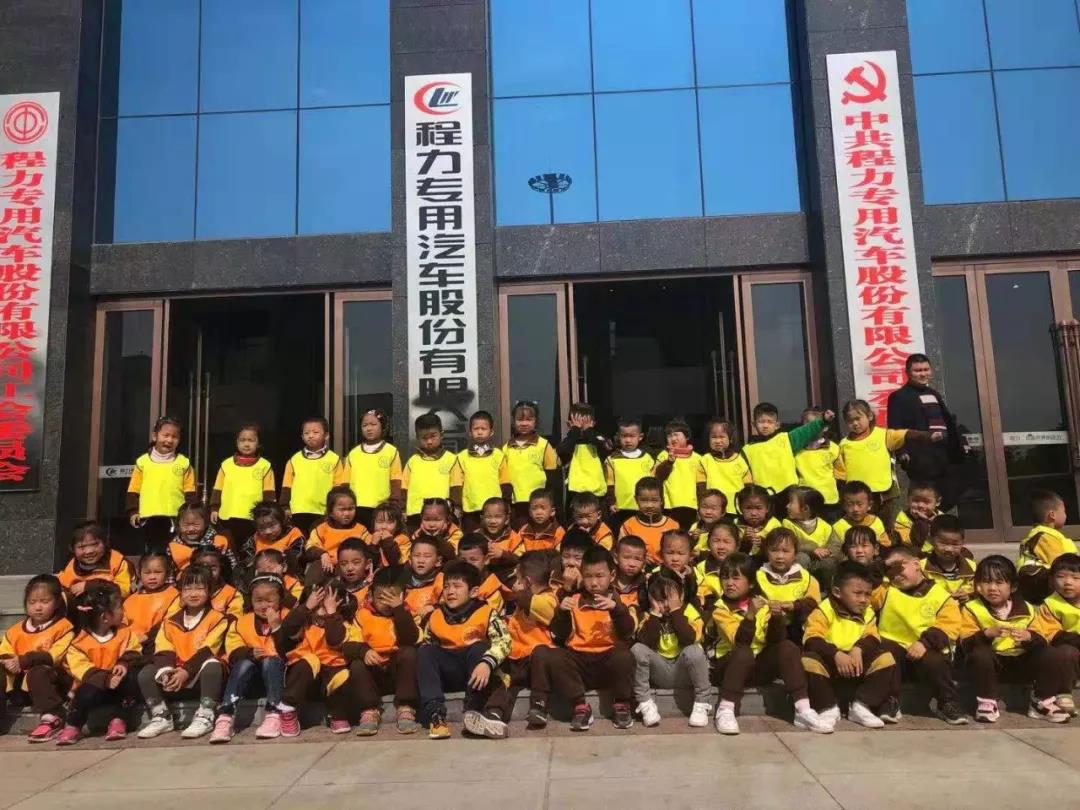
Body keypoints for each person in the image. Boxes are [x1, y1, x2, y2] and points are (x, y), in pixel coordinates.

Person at [710, 553, 831, 735]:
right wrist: (750, 616)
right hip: (729, 668)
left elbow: (775, 640)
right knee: (743, 652)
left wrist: (776, 619)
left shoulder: (761, 603)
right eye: (725, 578)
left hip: (757, 667)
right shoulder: (720, 609)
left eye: (736, 578)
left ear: (751, 583)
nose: (729, 583)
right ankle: (725, 709)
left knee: (788, 647)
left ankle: (803, 709)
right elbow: (740, 641)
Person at [959, 555, 1072, 723]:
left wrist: (1029, 637)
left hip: (1021, 662)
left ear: (1013, 587)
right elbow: (965, 643)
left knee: (1051, 654)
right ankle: (987, 702)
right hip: (991, 665)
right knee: (980, 654)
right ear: (977, 586)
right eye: (986, 582)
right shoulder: (971, 608)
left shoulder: (1027, 609)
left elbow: (1042, 639)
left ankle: (1041, 702)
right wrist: (986, 634)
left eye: (999, 582)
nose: (992, 588)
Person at [537, 546, 637, 731]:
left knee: (624, 655)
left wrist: (616, 609)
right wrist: (562, 612)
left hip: (608, 663)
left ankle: (622, 705)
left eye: (599, 576)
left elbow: (628, 632)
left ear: (612, 575)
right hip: (579, 664)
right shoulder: (573, 599)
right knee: (552, 655)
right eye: (588, 576)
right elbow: (560, 635)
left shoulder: (621, 601)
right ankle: (580, 707)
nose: (594, 583)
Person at [417, 559, 511, 740]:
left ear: (474, 591)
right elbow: (428, 643)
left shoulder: (486, 612)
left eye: (457, 586)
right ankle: (436, 715)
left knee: (479, 648)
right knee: (425, 651)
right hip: (448, 673)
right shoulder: (435, 616)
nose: (450, 591)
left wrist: (486, 663)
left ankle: (473, 712)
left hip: (477, 674)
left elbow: (504, 642)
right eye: (446, 587)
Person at [874, 545, 966, 725]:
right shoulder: (885, 591)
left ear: (916, 564)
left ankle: (947, 702)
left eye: (900, 567)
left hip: (926, 648)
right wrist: (881, 566)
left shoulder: (940, 595)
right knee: (885, 656)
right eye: (890, 571)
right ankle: (889, 701)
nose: (895, 575)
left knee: (936, 662)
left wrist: (925, 643)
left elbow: (949, 626)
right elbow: (866, 589)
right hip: (894, 647)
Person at [801, 560, 897, 730]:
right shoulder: (823, 610)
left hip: (856, 663)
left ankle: (861, 705)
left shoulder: (868, 612)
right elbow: (812, 639)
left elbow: (873, 637)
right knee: (809, 660)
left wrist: (858, 649)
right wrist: (836, 654)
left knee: (886, 658)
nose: (864, 600)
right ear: (837, 592)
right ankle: (827, 707)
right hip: (831, 663)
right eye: (857, 594)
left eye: (867, 594)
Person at [137, 564, 228, 740]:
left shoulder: (217, 619)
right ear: (180, 592)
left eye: (199, 588)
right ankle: (161, 715)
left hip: (200, 677)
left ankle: (206, 714)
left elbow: (208, 649)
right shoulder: (169, 622)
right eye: (187, 589)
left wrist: (186, 671)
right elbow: (163, 648)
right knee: (146, 673)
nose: (193, 594)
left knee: (213, 666)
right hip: (174, 678)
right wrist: (166, 672)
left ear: (210, 591)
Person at [57, 581, 142, 745]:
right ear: (105, 617)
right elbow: (81, 669)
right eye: (119, 608)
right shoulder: (79, 641)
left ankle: (119, 720)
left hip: (118, 685)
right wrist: (106, 679)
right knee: (84, 693)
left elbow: (135, 650)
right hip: (94, 685)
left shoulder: (125, 633)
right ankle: (73, 724)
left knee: (131, 680)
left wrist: (124, 663)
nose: (123, 611)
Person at [209, 574, 291, 743]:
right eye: (258, 601)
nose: (264, 605)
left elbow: (293, 649)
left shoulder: (289, 618)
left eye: (269, 600)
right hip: (251, 680)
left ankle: (274, 713)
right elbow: (233, 651)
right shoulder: (241, 622)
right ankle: (226, 716)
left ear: (280, 599)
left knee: (271, 661)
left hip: (281, 677)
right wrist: (249, 653)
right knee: (244, 664)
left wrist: (277, 627)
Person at [838, 399, 942, 529]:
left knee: (885, 527)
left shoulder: (884, 435)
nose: (855, 423)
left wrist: (928, 436)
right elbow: (840, 471)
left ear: (869, 416)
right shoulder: (843, 444)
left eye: (858, 418)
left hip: (883, 494)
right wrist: (842, 492)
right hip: (856, 497)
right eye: (850, 420)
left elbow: (905, 434)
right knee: (859, 529)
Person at [886, 353, 967, 511]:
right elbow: (895, 428)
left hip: (943, 457)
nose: (923, 374)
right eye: (917, 370)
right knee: (922, 501)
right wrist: (902, 452)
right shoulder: (898, 397)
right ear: (907, 372)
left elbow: (948, 423)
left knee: (945, 499)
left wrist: (960, 445)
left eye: (925, 369)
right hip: (920, 459)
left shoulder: (933, 394)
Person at [632, 569, 711, 728]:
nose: (666, 604)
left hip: (683, 671)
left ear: (681, 595)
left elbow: (688, 639)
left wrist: (676, 611)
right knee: (637, 649)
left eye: (671, 598)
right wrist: (655, 614)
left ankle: (702, 703)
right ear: (651, 599)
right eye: (660, 599)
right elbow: (647, 642)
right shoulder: (647, 615)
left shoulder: (689, 611)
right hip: (659, 670)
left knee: (694, 650)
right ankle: (645, 703)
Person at [279, 580, 360, 736]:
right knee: (309, 660)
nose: (322, 610)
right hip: (303, 679)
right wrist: (306, 607)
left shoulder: (342, 622)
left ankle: (338, 714)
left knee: (343, 675)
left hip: (329, 678)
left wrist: (331, 614)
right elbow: (287, 629)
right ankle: (287, 709)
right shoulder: (305, 621)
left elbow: (334, 640)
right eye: (319, 604)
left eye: (327, 604)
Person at [0, 574, 74, 742]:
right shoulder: (15, 631)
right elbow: (4, 650)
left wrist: (24, 661)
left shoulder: (64, 628)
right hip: (20, 684)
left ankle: (53, 715)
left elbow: (55, 656)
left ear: (57, 603)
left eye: (45, 602)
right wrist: (9, 661)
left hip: (53, 682)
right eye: (32, 602)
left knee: (38, 672)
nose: (38, 607)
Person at [349, 567, 421, 736]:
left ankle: (405, 707)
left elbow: (411, 638)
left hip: (398, 673)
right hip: (374, 672)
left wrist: (399, 610)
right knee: (357, 664)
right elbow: (349, 644)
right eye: (382, 598)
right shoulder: (362, 616)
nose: (387, 603)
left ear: (402, 596)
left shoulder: (408, 613)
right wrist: (363, 651)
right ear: (370, 596)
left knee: (409, 652)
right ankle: (369, 710)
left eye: (392, 598)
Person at [126, 416, 197, 552]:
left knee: (175, 552)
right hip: (148, 517)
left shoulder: (184, 463)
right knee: (153, 553)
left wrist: (191, 514)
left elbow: (190, 492)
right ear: (155, 436)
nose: (169, 440)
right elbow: (133, 490)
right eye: (166, 435)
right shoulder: (142, 462)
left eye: (174, 437)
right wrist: (133, 512)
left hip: (175, 517)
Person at [505, 551, 558, 728]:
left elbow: (531, 602)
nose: (515, 583)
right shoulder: (523, 600)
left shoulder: (549, 599)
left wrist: (519, 592)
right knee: (504, 680)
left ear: (527, 582)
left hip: (537, 663)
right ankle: (496, 713)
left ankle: (538, 706)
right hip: (517, 658)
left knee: (540, 658)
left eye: (518, 579)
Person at [209, 423, 275, 553]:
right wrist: (214, 508)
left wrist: (268, 513)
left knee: (249, 550)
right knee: (229, 549)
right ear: (237, 442)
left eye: (251, 440)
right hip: (229, 516)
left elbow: (269, 492)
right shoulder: (226, 465)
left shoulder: (264, 466)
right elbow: (218, 488)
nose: (246, 444)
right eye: (242, 440)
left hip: (253, 518)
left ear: (258, 443)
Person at [742, 403, 830, 497]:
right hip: (764, 496)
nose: (765, 425)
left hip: (790, 494)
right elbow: (745, 477)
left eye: (770, 422)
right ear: (753, 424)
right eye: (761, 422)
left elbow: (807, 430)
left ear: (777, 425)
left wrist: (823, 420)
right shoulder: (747, 450)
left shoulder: (786, 439)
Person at [281, 416, 343, 538]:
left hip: (323, 512)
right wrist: (285, 507)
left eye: (315, 432)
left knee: (320, 542)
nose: (311, 436)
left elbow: (338, 487)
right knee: (299, 542)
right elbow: (286, 486)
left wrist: (334, 508)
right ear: (302, 436)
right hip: (298, 511)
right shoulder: (294, 460)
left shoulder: (334, 459)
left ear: (326, 436)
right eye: (307, 433)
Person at [340, 409, 402, 531]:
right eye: (365, 425)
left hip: (381, 509)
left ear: (383, 427)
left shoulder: (391, 451)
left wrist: (394, 506)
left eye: (373, 424)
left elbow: (396, 481)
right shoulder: (353, 454)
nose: (369, 428)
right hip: (357, 508)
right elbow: (345, 484)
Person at [501, 401, 560, 529]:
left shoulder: (543, 445)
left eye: (529, 419)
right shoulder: (506, 448)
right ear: (513, 422)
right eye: (520, 420)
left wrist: (551, 500)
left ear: (535, 421)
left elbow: (553, 476)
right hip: (516, 503)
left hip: (539, 503)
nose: (524, 423)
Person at [401, 412, 464, 532]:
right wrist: (402, 510)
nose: (429, 441)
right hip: (415, 514)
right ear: (417, 438)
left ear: (441, 435)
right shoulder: (412, 461)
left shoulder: (451, 459)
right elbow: (404, 489)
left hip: (441, 515)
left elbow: (456, 487)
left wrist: (456, 509)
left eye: (433, 436)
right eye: (424, 438)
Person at [301, 486, 372, 588]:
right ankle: (311, 595)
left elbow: (369, 549)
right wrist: (322, 554)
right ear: (331, 512)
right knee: (316, 567)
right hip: (327, 567)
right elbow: (310, 546)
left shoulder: (361, 530)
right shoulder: (321, 528)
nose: (347, 513)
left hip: (350, 569)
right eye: (342, 510)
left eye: (351, 509)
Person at [755, 528, 821, 636]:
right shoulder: (758, 577)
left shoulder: (806, 578)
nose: (780, 556)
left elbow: (814, 602)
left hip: (798, 629)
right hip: (768, 631)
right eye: (774, 550)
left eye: (785, 551)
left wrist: (794, 606)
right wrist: (771, 609)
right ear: (767, 552)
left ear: (795, 554)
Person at [1018, 488, 1078, 603]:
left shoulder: (1048, 535)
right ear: (1052, 515)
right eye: (1064, 511)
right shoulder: (1044, 537)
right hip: (1040, 586)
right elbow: (1061, 564)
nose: (1066, 515)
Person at [1039, 553, 1080, 715]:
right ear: (1051, 580)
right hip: (1069, 650)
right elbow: (1050, 633)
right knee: (1065, 652)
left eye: (1076, 578)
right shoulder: (1050, 604)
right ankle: (1064, 693)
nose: (1068, 582)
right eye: (1061, 577)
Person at [57, 521, 135, 599]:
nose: (89, 551)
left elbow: (123, 592)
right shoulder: (71, 565)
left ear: (105, 543)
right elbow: (62, 588)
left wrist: (90, 586)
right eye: (81, 547)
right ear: (72, 549)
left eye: (94, 544)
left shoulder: (117, 562)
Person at [604, 416, 656, 533]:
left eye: (632, 436)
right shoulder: (612, 459)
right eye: (624, 436)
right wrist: (611, 503)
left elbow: (652, 484)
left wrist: (651, 503)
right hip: (620, 509)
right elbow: (610, 484)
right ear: (618, 436)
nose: (628, 440)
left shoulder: (647, 458)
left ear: (640, 437)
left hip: (643, 508)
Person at [654, 417, 706, 531]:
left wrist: (702, 505)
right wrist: (668, 462)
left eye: (676, 434)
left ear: (687, 436)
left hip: (691, 506)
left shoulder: (697, 458)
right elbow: (657, 477)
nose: (673, 438)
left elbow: (701, 485)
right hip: (669, 505)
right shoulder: (663, 455)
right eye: (669, 435)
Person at [457, 410, 504, 533]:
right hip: (470, 509)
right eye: (476, 429)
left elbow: (505, 482)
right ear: (470, 432)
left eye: (484, 429)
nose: (479, 432)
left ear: (491, 432)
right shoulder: (462, 457)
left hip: (494, 509)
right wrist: (457, 506)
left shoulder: (498, 455)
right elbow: (458, 484)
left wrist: (505, 504)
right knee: (472, 540)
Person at [558, 402, 611, 512]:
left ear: (593, 423)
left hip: (597, 492)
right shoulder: (570, 441)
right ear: (569, 424)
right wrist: (575, 432)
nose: (581, 428)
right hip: (574, 492)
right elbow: (562, 452)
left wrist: (589, 432)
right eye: (577, 424)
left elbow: (607, 448)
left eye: (585, 424)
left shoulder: (597, 439)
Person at [783, 485, 841, 584]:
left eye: (791, 502)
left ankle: (826, 588)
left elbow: (836, 544)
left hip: (819, 561)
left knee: (829, 562)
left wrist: (828, 551)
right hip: (801, 559)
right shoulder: (787, 524)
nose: (787, 506)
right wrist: (811, 549)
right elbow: (789, 544)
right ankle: (797, 585)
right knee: (802, 558)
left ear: (805, 508)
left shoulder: (825, 526)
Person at [123, 552, 178, 654]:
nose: (152, 577)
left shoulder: (174, 595)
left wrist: (148, 636)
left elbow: (171, 622)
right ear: (139, 573)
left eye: (158, 572)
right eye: (147, 573)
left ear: (167, 573)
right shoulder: (130, 600)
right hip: (130, 644)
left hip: (157, 643)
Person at [617, 477, 679, 565]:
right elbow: (622, 553)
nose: (649, 505)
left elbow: (678, 553)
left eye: (654, 500)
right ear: (636, 500)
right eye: (644, 500)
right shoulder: (628, 525)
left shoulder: (673, 526)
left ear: (662, 500)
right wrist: (639, 557)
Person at [794, 408, 841, 520]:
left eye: (815, 424)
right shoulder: (796, 449)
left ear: (825, 427)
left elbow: (840, 474)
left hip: (828, 501)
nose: (811, 429)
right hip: (804, 501)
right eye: (807, 425)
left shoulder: (833, 448)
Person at [700, 419, 751, 517]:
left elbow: (748, 486)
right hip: (713, 510)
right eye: (714, 437)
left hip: (736, 508)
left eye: (722, 437)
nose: (718, 441)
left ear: (730, 438)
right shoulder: (705, 460)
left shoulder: (739, 459)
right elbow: (700, 488)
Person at [240, 501, 305, 575]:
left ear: (282, 521)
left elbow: (297, 558)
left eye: (272, 525)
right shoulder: (256, 538)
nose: (268, 531)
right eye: (262, 527)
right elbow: (246, 559)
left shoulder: (293, 534)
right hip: (260, 578)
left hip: (287, 576)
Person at [168, 502, 234, 575]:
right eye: (186, 525)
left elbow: (232, 566)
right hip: (185, 581)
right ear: (178, 525)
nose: (191, 529)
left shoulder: (219, 542)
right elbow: (170, 574)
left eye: (196, 524)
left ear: (206, 523)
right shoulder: (172, 547)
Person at [920, 515, 975, 600]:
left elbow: (978, 588)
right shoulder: (922, 567)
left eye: (955, 544)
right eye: (943, 543)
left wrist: (968, 594)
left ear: (962, 543)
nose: (949, 549)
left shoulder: (972, 567)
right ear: (931, 540)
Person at [695, 522, 740, 614]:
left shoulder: (744, 568)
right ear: (708, 543)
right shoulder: (700, 568)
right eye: (716, 541)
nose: (721, 547)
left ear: (737, 546)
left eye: (726, 541)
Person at [457, 533, 507, 612]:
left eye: (473, 560)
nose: (467, 565)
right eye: (463, 560)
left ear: (486, 559)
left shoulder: (493, 594)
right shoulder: (452, 584)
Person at [192, 547, 244, 620]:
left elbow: (235, 619)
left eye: (212, 568)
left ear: (220, 568)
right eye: (201, 567)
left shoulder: (232, 595)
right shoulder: (186, 592)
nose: (207, 572)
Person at [831, 481, 888, 547]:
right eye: (850, 504)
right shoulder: (839, 526)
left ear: (869, 505)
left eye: (859, 504)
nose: (855, 509)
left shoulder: (876, 522)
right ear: (844, 506)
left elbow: (884, 546)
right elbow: (835, 549)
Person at [402, 535, 444, 620]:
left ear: (438, 561)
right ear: (410, 559)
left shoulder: (442, 581)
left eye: (427, 556)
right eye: (417, 555)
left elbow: (451, 604)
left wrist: (435, 607)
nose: (421, 561)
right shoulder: (400, 580)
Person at [733, 484, 781, 558]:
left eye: (758, 508)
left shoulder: (773, 524)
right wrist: (744, 540)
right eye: (748, 508)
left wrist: (764, 543)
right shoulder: (736, 525)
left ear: (767, 508)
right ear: (740, 508)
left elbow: (779, 549)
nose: (753, 513)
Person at [893, 481, 942, 550]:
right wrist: (922, 521)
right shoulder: (903, 517)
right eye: (916, 500)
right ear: (908, 499)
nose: (920, 505)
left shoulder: (941, 518)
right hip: (912, 553)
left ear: (937, 502)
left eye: (926, 502)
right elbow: (906, 542)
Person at [612, 535, 648, 613]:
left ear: (644, 563)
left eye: (637, 559)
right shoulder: (607, 582)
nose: (632, 564)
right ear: (616, 558)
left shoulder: (646, 586)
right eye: (627, 557)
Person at [689, 489, 726, 553]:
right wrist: (693, 539)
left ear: (723, 512)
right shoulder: (695, 526)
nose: (708, 512)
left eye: (713, 508)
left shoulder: (725, 530)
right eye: (704, 507)